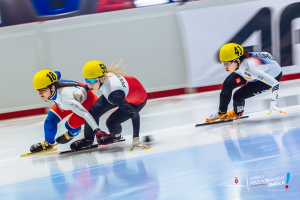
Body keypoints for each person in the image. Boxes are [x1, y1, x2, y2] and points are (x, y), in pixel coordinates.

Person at [70, 61, 149, 151]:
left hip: (138, 100)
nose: (89, 84)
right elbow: (92, 82)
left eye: (92, 80)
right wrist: (83, 89)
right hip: (128, 89)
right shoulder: (103, 77)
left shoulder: (113, 95)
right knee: (92, 112)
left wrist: (136, 139)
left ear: (102, 79)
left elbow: (134, 115)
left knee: (111, 123)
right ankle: (88, 140)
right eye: (87, 80)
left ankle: (116, 136)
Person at [206, 43, 285, 123]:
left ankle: (238, 113)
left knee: (238, 96)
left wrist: (274, 102)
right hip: (253, 69)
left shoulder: (251, 69)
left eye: (227, 63)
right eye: (223, 63)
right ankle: (221, 113)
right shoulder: (240, 63)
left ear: (237, 61)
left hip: (273, 75)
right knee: (227, 84)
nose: (225, 66)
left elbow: (275, 83)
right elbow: (266, 54)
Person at [30, 70, 100, 153]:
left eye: (43, 90)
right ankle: (48, 143)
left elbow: (85, 114)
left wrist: (98, 131)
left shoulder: (65, 98)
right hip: (70, 100)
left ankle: (73, 132)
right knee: (49, 122)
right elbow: (57, 73)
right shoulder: (52, 83)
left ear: (52, 87)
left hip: (88, 103)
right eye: (38, 90)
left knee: (70, 125)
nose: (39, 93)